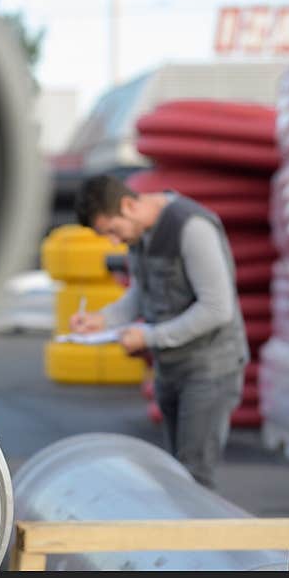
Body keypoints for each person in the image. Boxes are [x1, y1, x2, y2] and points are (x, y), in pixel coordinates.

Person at [70, 174, 249, 489]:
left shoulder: (191, 228)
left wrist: (148, 336)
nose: (113, 241)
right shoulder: (139, 234)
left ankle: (199, 538)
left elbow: (218, 309)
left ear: (128, 205)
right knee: (175, 474)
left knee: (195, 478)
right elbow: (141, 292)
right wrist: (103, 320)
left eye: (112, 230)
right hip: (171, 366)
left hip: (210, 369)